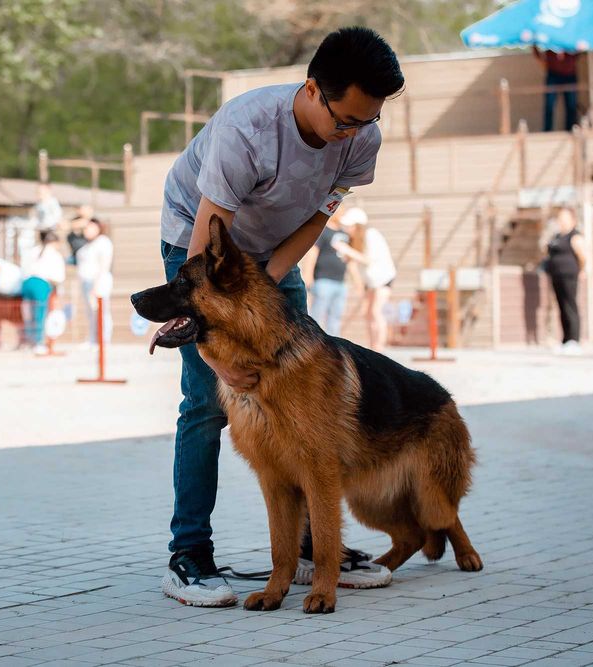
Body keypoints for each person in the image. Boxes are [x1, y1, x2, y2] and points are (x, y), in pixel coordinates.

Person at [156, 26, 403, 606]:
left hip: (274, 254)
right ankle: (188, 555)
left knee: (307, 403)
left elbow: (322, 212)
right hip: (198, 244)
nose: (354, 135)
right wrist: (216, 353)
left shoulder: (363, 137)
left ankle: (323, 549)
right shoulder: (247, 128)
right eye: (345, 121)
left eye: (366, 122)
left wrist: (267, 282)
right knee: (206, 401)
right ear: (314, 90)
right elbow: (206, 246)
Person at [336, 207, 396, 351]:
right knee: (368, 314)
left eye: (351, 225)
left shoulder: (371, 235)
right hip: (370, 282)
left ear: (358, 225)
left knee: (376, 312)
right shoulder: (355, 240)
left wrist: (348, 250)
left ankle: (379, 348)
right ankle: (373, 346)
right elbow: (352, 265)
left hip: (383, 279)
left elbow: (368, 260)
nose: (348, 228)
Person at [543, 207, 585, 354]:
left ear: (572, 220)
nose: (561, 221)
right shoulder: (556, 236)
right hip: (556, 275)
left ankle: (574, 339)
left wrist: (582, 270)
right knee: (561, 308)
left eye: (564, 218)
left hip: (570, 275)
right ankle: (566, 339)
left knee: (570, 306)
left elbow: (582, 256)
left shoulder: (575, 236)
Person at [304, 210, 351, 336]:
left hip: (340, 282)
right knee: (317, 315)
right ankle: (313, 342)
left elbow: (348, 258)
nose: (342, 215)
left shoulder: (344, 234)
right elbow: (313, 253)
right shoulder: (323, 231)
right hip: (323, 280)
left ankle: (335, 348)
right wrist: (308, 275)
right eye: (341, 212)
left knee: (335, 317)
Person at [21, 230, 66, 355]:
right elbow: (59, 277)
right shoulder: (55, 255)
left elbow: (24, 267)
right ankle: (38, 342)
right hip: (41, 284)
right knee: (40, 314)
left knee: (28, 314)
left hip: (26, 283)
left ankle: (28, 341)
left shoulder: (32, 251)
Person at [76, 218, 113, 345]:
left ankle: (103, 340)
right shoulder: (86, 245)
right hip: (86, 282)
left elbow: (104, 266)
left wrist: (97, 284)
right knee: (90, 312)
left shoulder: (103, 242)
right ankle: (93, 339)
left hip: (98, 281)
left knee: (101, 311)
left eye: (90, 227)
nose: (86, 230)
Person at [533, 47, 578, 132]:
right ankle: (547, 131)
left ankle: (570, 130)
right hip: (553, 74)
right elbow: (536, 51)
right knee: (549, 106)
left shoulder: (569, 40)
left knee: (571, 106)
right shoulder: (550, 39)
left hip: (569, 73)